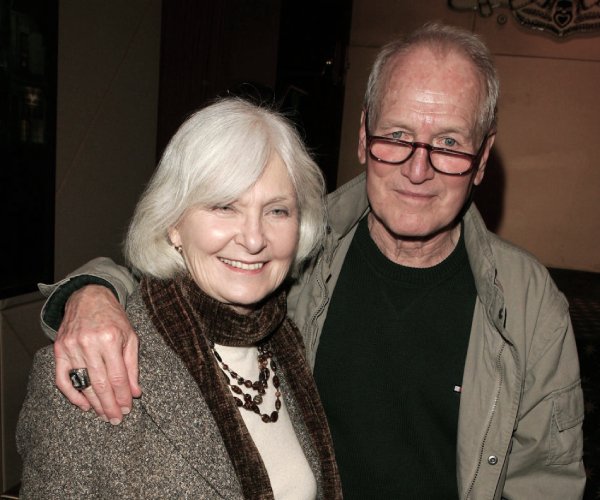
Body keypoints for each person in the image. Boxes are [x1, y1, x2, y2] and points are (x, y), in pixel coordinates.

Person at [36, 22, 585, 498]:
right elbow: (176, 275)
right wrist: (90, 292)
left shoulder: (527, 304)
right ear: (364, 135)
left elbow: (547, 484)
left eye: (448, 143)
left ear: (482, 158)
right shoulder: (298, 254)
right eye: (397, 135)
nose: (419, 170)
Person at [17, 98, 342, 499]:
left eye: (277, 211)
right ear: (173, 223)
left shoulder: (293, 342)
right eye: (225, 207)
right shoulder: (91, 368)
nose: (254, 239)